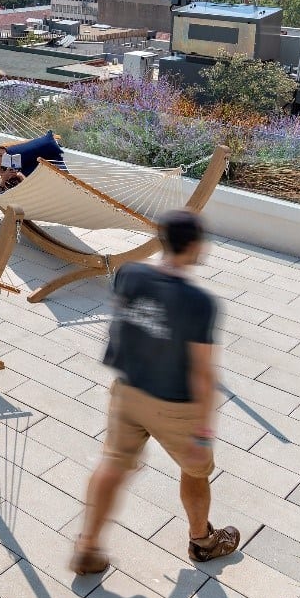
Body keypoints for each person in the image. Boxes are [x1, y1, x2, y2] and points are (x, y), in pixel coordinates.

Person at [71, 210, 240, 575]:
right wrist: (203, 433)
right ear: (195, 245)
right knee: (195, 471)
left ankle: (88, 545)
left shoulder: (130, 272)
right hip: (173, 405)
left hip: (127, 391)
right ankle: (203, 541)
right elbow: (203, 373)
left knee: (113, 464)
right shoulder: (200, 303)